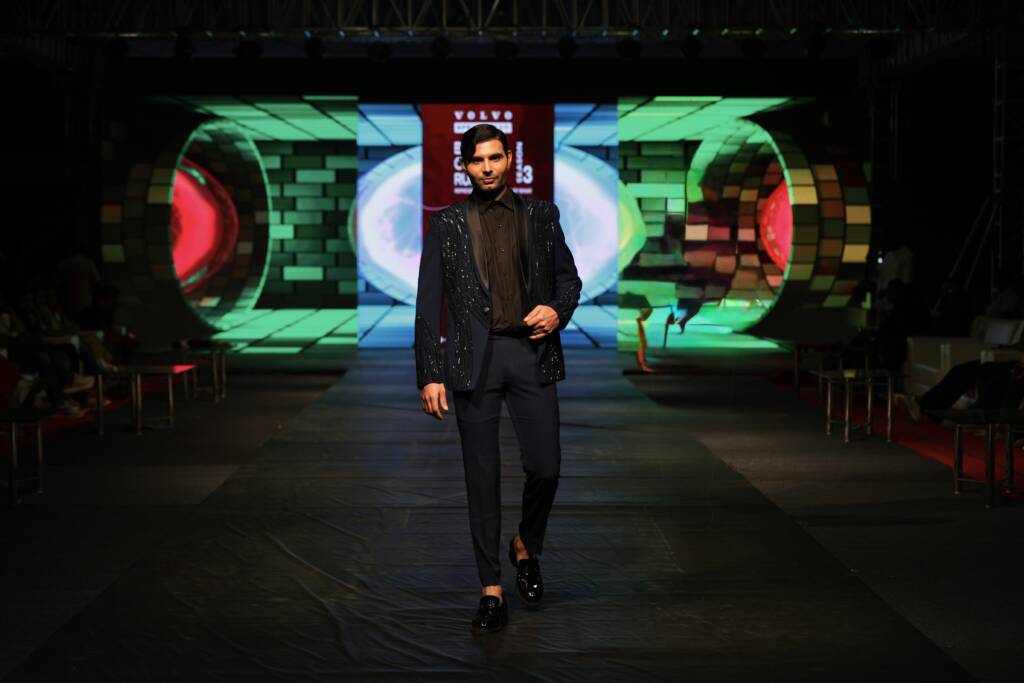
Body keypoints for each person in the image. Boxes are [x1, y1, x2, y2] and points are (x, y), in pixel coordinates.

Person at [415, 123, 582, 633]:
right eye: (477, 160)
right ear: (465, 166)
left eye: (494, 157)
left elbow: (568, 279)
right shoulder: (448, 224)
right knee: (481, 476)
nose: (486, 168)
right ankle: (491, 589)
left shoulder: (541, 215)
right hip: (474, 360)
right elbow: (428, 302)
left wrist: (557, 310)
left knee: (546, 467)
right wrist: (430, 373)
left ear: (510, 158)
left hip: (530, 354)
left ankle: (526, 544)